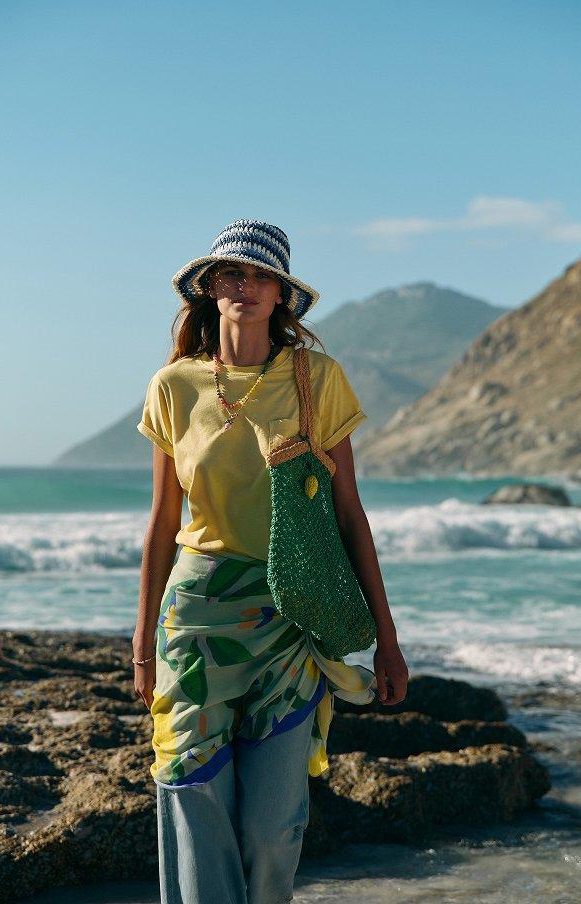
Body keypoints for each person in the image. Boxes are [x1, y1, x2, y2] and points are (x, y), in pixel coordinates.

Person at [132, 219, 409, 904]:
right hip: (195, 619)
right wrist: (142, 645)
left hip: (294, 615)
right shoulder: (174, 387)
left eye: (262, 277)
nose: (246, 287)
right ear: (208, 289)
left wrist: (390, 640)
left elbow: (349, 515)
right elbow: (165, 522)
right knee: (193, 796)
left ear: (284, 295)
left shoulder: (318, 379)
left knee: (274, 823)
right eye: (233, 274)